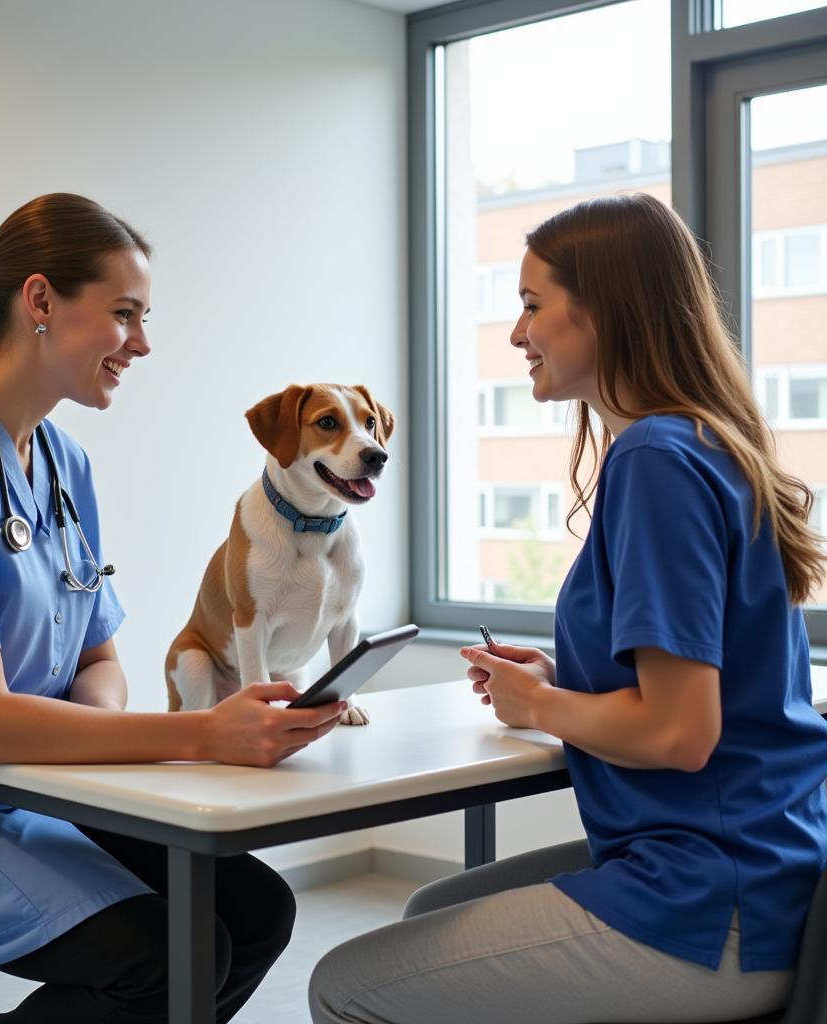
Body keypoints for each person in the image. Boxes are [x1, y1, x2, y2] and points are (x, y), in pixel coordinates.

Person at [0, 192, 346, 1024]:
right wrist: (204, 732)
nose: (143, 342)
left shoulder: (64, 463)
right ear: (43, 302)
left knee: (255, 911)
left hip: (24, 785)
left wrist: (85, 748)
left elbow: (98, 659)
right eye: (125, 314)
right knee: (172, 959)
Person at [309, 192, 827, 1023]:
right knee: (426, 916)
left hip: (713, 902)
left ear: (604, 312)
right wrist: (561, 677)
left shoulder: (657, 460)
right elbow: (696, 680)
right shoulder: (702, 443)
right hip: (762, 868)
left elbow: (680, 733)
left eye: (530, 306)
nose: (517, 335)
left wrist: (542, 705)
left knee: (343, 984)